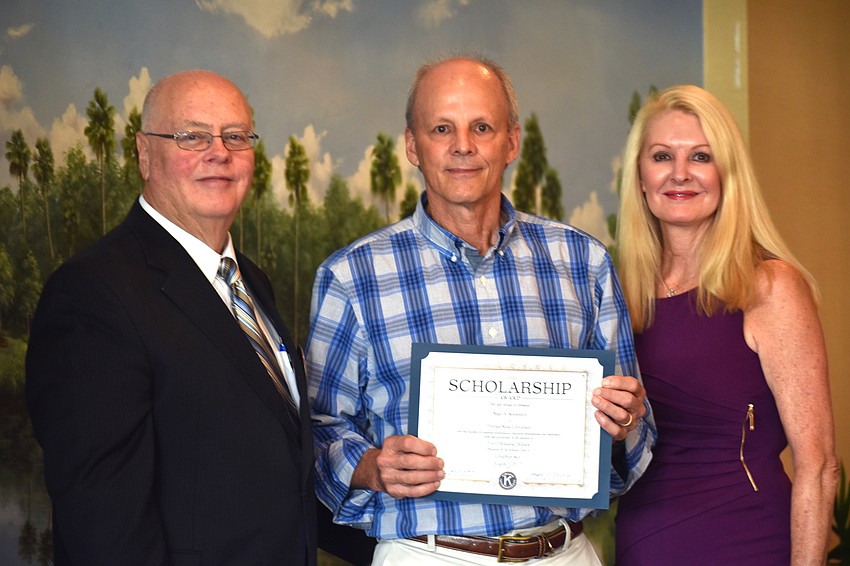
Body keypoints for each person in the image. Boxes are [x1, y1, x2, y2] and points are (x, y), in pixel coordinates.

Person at [307, 55, 655, 565]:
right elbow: (318, 432)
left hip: (565, 552)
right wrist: (372, 467)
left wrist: (623, 425)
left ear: (511, 142)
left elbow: (633, 439)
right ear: (412, 146)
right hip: (427, 556)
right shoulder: (351, 276)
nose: (462, 145)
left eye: (482, 127)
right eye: (441, 128)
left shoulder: (584, 262)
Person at [25, 70, 317, 565]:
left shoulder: (251, 281)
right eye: (192, 136)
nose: (219, 152)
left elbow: (281, 470)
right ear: (144, 153)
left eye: (235, 136)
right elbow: (106, 528)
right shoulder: (92, 293)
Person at [614, 84, 839, 565]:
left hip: (745, 539)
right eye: (662, 156)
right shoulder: (617, 294)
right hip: (643, 541)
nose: (679, 173)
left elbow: (819, 466)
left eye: (700, 156)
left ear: (727, 175)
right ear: (640, 178)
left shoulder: (770, 287)